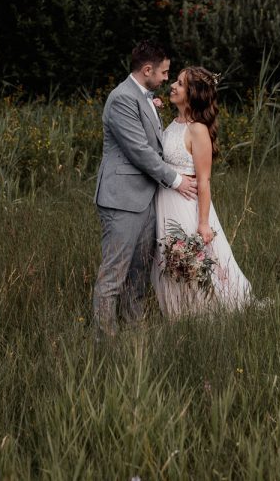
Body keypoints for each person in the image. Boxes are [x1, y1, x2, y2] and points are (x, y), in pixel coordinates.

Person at [92, 40, 198, 338]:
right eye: (164, 72)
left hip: (146, 198)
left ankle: (134, 328)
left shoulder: (145, 97)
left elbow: (155, 142)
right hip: (122, 200)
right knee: (114, 273)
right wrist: (177, 181)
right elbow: (140, 151)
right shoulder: (122, 99)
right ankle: (105, 339)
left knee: (138, 273)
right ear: (147, 69)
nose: (167, 78)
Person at [152, 66, 254, 318]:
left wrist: (204, 223)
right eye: (174, 81)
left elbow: (205, 180)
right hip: (165, 200)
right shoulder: (174, 123)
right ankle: (175, 314)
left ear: (193, 94)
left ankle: (198, 315)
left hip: (185, 205)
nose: (173, 86)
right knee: (169, 260)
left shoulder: (197, 129)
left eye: (180, 84)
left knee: (186, 261)